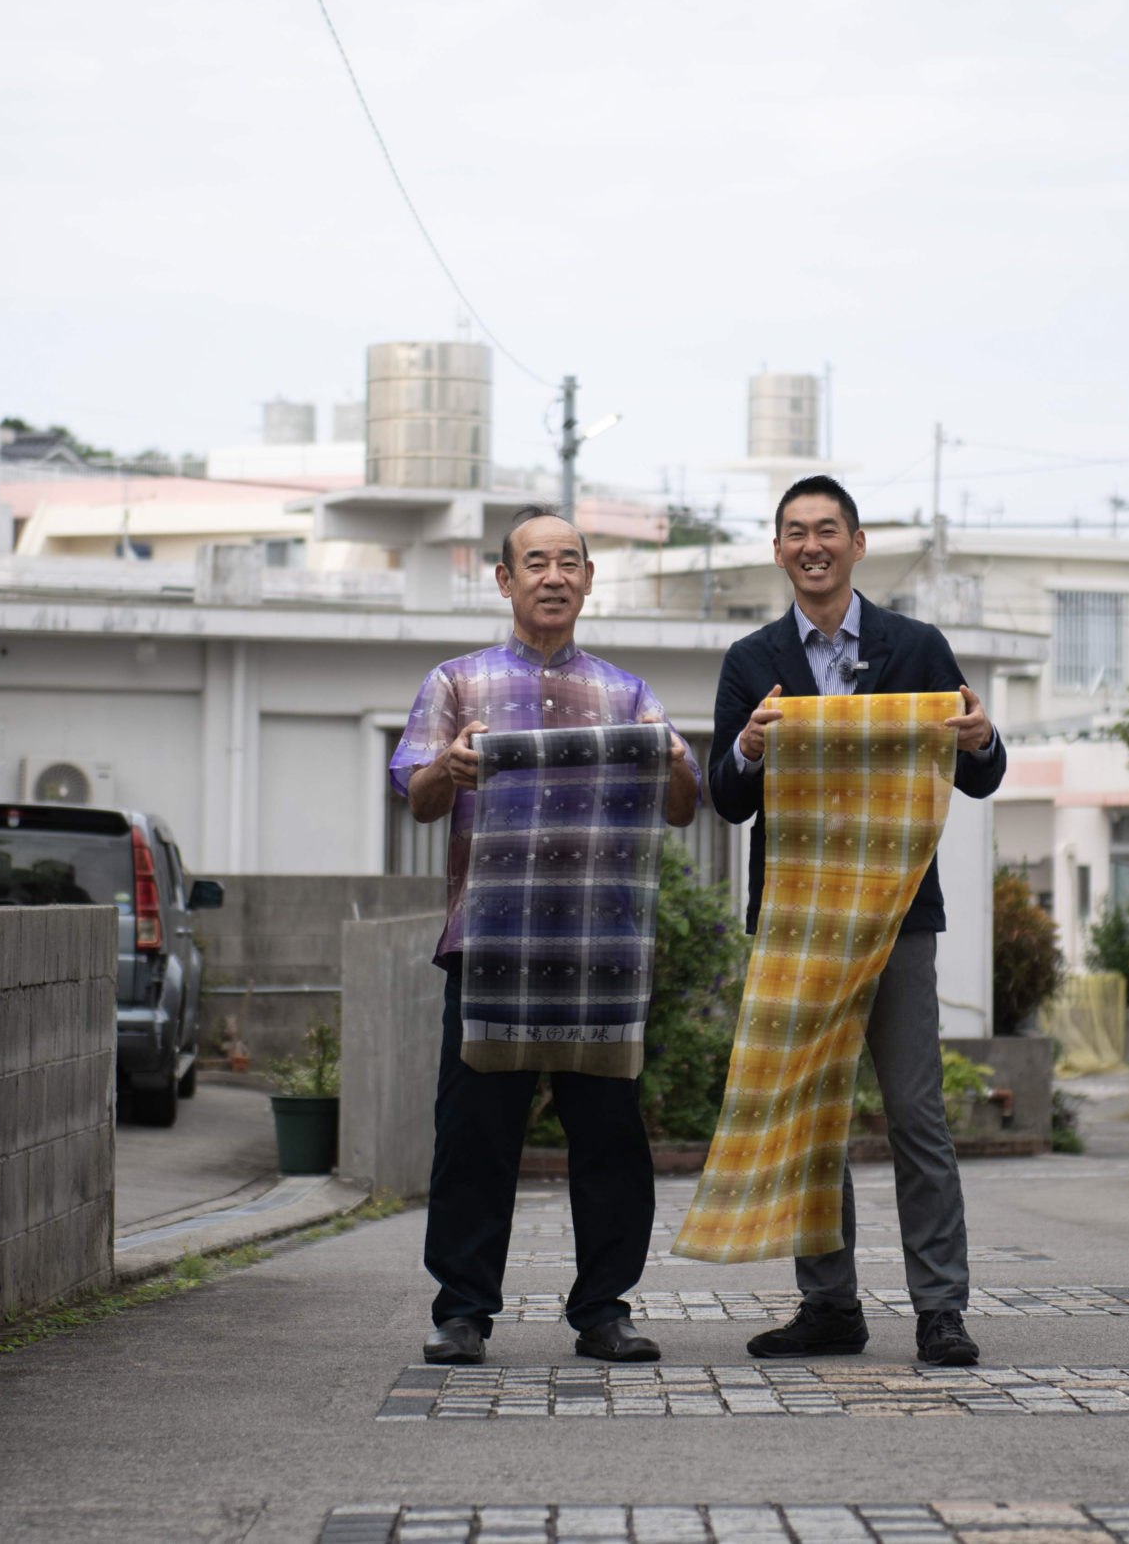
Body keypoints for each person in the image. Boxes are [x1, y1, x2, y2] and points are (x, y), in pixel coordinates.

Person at [391, 506, 703, 1367]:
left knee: (610, 1139)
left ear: (591, 578)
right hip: (486, 948)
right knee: (473, 1138)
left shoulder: (629, 695)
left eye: (570, 560)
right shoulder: (455, 684)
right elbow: (415, 793)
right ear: (504, 579)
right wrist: (448, 768)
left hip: (599, 954)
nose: (554, 576)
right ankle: (462, 1312)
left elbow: (683, 804)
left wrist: (676, 762)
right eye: (536, 562)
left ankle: (603, 1308)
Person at [706, 474, 1006, 1367]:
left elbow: (980, 773)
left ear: (857, 542)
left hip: (900, 916)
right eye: (795, 531)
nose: (812, 545)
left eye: (827, 529)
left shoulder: (917, 648)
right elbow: (725, 800)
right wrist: (748, 748)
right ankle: (828, 1304)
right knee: (811, 1117)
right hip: (797, 925)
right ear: (777, 550)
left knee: (916, 1112)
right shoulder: (751, 661)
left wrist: (984, 738)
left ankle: (941, 1309)